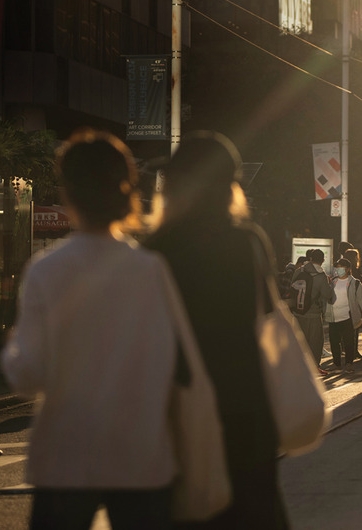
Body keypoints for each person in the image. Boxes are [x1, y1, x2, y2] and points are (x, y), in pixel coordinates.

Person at [1, 129, 179, 530]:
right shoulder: (150, 270)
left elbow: (28, 374)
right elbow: (169, 361)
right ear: (127, 191)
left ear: (69, 192)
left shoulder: (47, 270)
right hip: (140, 453)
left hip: (67, 454)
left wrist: (12, 349)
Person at [146, 131, 289, 529]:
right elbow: (265, 315)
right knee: (255, 510)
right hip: (247, 406)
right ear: (230, 187)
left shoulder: (157, 250)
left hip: (180, 408)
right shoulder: (248, 244)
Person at [290, 249, 334, 376]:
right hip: (313, 313)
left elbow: (292, 286)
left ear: (310, 259)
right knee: (315, 341)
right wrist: (329, 284)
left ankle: (298, 365)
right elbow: (327, 294)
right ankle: (314, 367)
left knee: (299, 340)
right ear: (323, 260)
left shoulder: (299, 270)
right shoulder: (321, 276)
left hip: (298, 312)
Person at [327, 257, 362, 374]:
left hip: (348, 316)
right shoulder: (332, 281)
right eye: (337, 267)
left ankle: (349, 363)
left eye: (341, 267)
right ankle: (336, 364)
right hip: (333, 316)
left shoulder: (355, 283)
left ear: (348, 269)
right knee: (334, 341)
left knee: (349, 341)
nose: (338, 269)